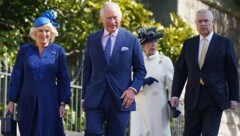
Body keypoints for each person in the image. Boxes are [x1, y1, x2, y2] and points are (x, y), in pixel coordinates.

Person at [170, 9, 239, 136]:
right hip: (193, 99)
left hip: (214, 99)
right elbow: (181, 71)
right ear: (196, 24)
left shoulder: (225, 43)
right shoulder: (189, 44)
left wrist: (234, 97)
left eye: (206, 21)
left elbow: (232, 73)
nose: (203, 24)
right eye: (200, 21)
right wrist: (175, 94)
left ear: (214, 23)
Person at [82, 1, 146, 136]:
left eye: (115, 17)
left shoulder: (131, 40)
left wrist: (133, 90)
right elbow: (87, 70)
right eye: (108, 18)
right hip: (95, 98)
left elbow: (140, 70)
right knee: (92, 132)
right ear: (102, 19)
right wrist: (83, 97)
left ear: (120, 18)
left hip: (121, 99)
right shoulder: (92, 40)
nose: (112, 21)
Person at [5, 10, 71, 136]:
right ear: (35, 33)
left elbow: (63, 78)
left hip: (49, 101)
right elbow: (17, 76)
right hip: (26, 101)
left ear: (51, 33)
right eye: (40, 30)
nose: (44, 34)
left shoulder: (58, 51)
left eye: (47, 31)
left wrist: (63, 103)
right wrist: (11, 100)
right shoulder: (24, 50)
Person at [130, 27, 173, 136]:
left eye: (155, 41)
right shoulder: (135, 62)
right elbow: (128, 84)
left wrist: (175, 105)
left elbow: (173, 86)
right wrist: (141, 83)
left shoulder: (164, 61)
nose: (153, 44)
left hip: (158, 109)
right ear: (143, 45)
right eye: (149, 41)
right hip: (140, 107)